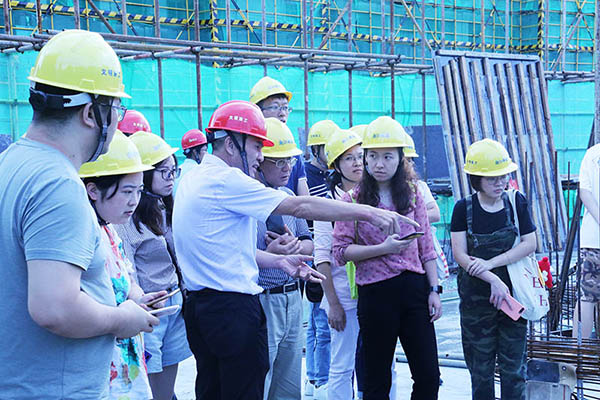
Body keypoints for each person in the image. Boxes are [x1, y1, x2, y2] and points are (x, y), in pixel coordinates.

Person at [172, 100, 417, 400]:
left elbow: (220, 251)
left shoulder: (193, 178)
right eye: (256, 146)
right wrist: (368, 212)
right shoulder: (226, 180)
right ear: (232, 145)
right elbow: (299, 206)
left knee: (213, 391)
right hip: (231, 312)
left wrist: (278, 261)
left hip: (202, 308)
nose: (260, 156)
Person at [0, 29, 158, 399]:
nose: (116, 121)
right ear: (91, 113)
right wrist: (122, 319)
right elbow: (55, 308)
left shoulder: (10, 162)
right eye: (115, 109)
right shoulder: (57, 184)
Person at [333, 116, 442, 400]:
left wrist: (434, 289)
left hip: (414, 290)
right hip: (376, 293)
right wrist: (383, 248)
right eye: (373, 156)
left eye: (387, 157)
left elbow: (426, 247)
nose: (379, 164)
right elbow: (341, 252)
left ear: (400, 159)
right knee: (377, 380)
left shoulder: (414, 194)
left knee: (429, 375)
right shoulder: (353, 200)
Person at [80, 130, 171, 399]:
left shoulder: (110, 230)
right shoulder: (81, 236)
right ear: (93, 190)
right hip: (99, 370)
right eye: (127, 192)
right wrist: (123, 316)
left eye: (139, 191)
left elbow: (125, 278)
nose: (134, 201)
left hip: (126, 366)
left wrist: (140, 298)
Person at [450, 138, 536, 400]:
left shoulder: (515, 202)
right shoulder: (463, 209)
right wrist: (492, 279)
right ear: (476, 179)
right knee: (481, 373)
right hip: (476, 304)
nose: (500, 183)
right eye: (492, 178)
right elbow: (460, 255)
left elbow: (530, 243)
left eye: (504, 176)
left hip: (513, 300)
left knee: (514, 372)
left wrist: (491, 263)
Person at [115, 131, 192, 400]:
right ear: (146, 174)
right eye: (164, 172)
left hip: (175, 303)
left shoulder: (165, 208)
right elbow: (127, 268)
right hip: (150, 308)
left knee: (168, 378)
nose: (171, 178)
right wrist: (138, 301)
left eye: (173, 171)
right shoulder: (127, 219)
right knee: (152, 379)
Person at [256, 118, 313, 399]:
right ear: (259, 162)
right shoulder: (248, 201)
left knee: (289, 381)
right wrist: (273, 254)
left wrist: (294, 247)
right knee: (261, 376)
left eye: (289, 161)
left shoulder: (288, 196)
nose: (286, 168)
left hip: (292, 295)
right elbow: (238, 254)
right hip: (264, 298)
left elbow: (309, 242)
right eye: (278, 162)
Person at [314, 128, 363, 400]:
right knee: (343, 364)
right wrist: (333, 303)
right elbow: (322, 258)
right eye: (349, 158)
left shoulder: (375, 198)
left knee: (382, 362)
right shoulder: (327, 204)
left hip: (374, 291)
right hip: (344, 296)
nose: (357, 163)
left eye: (360, 156)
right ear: (336, 165)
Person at [304, 118, 340, 396]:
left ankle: (316, 376)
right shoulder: (306, 175)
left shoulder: (333, 177)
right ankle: (317, 378)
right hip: (313, 251)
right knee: (318, 320)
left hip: (328, 249)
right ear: (316, 149)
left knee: (318, 320)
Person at [250, 76, 309, 196]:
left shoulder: (292, 150)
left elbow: (304, 198)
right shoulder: (249, 150)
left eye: (285, 108)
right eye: (275, 107)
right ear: (257, 111)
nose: (282, 113)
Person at [573, 141, 600, 339]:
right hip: (593, 239)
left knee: (587, 296)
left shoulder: (592, 153)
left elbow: (584, 192)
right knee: (586, 298)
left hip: (592, 238)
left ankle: (578, 351)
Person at [174, 128, 208, 194]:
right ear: (195, 152)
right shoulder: (200, 171)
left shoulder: (178, 170)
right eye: (204, 150)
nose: (207, 154)